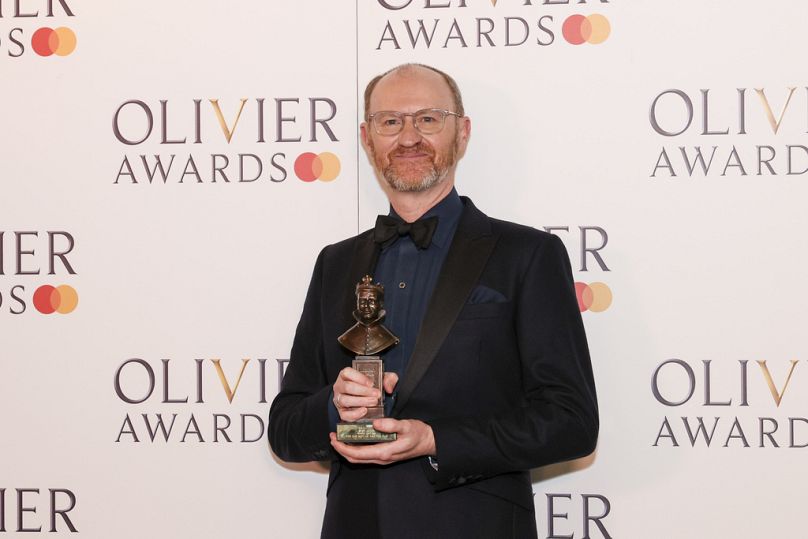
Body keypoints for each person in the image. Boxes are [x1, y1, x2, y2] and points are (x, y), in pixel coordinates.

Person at [268, 63, 598, 539]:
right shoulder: (335, 263)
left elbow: (572, 422)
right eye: (390, 121)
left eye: (428, 119)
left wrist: (435, 440)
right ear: (367, 138)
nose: (409, 137)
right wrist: (335, 407)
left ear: (462, 132)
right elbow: (285, 430)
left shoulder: (527, 255)